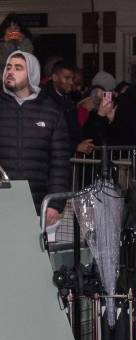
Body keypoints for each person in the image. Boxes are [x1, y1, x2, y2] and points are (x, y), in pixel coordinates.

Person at [0, 51, 71, 225]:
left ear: (31, 74)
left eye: (18, 68)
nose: (10, 71)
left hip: (37, 204)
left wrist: (55, 204)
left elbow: (60, 162)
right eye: (8, 67)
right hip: (2, 200)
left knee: (30, 251)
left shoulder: (51, 112)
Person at [45, 60, 94, 155]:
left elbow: (74, 130)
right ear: (54, 77)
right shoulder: (45, 100)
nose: (71, 82)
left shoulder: (68, 100)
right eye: (67, 78)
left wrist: (82, 144)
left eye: (72, 78)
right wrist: (76, 146)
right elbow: (47, 137)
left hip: (65, 159)